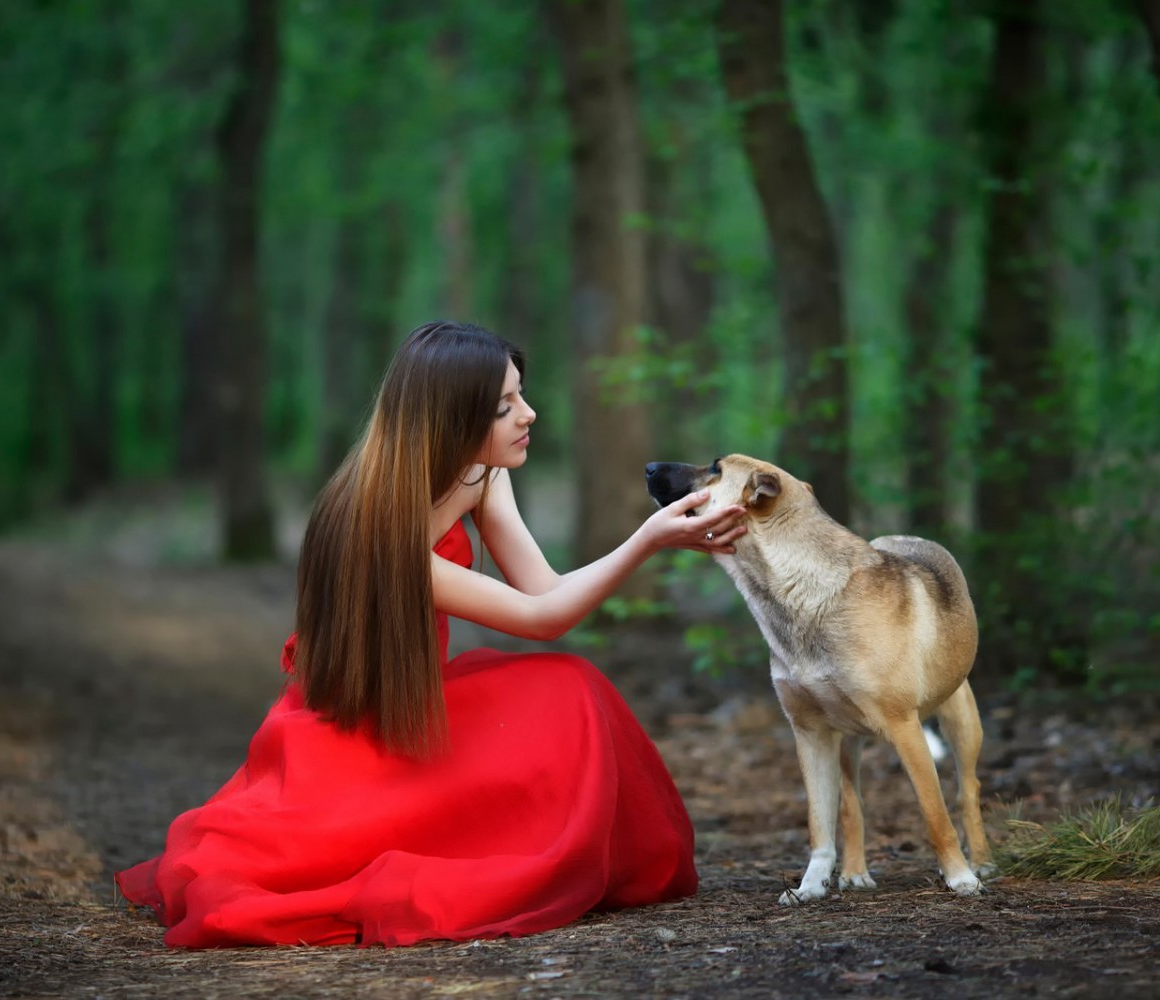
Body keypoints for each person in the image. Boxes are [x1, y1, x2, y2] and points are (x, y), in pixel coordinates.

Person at [115, 320, 747, 948]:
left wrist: (651, 538)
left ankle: (589, 857)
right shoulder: (383, 530)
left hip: (417, 697)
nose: (528, 414)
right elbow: (544, 622)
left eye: (520, 394)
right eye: (504, 407)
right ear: (450, 419)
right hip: (359, 729)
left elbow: (544, 590)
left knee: (571, 689)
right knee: (567, 691)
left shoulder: (481, 474)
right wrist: (649, 540)